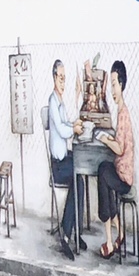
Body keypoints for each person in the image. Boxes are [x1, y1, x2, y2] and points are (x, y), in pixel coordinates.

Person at [96, 60, 135, 260]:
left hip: (124, 178)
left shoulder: (123, 113)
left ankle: (110, 242)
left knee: (102, 172)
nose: (112, 90)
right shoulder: (121, 111)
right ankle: (118, 233)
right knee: (104, 169)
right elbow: (120, 142)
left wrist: (104, 139)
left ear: (121, 84)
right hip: (121, 172)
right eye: (110, 85)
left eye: (114, 84)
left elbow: (119, 149)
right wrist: (109, 138)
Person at [48, 59, 86, 258]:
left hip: (64, 159)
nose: (63, 82)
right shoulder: (52, 102)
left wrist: (74, 124)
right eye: (61, 78)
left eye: (65, 78)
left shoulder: (60, 102)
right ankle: (67, 234)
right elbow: (62, 130)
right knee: (78, 180)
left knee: (80, 177)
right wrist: (73, 129)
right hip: (58, 165)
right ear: (54, 77)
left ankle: (73, 231)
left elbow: (65, 124)